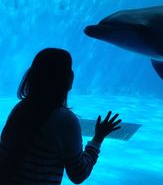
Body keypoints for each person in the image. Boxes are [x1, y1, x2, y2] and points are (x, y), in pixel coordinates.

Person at [0, 48, 121, 185]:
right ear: (67, 79)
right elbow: (78, 174)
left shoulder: (20, 109)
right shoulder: (65, 121)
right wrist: (98, 138)